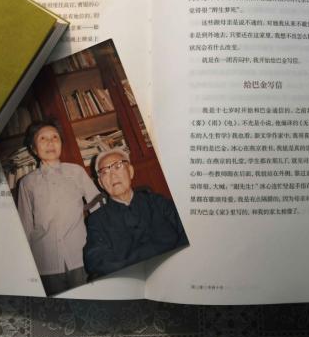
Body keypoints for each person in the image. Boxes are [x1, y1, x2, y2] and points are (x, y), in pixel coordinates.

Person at [17, 119, 101, 295]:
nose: (50, 142)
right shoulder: (27, 183)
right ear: (33, 149)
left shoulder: (76, 172)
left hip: (81, 257)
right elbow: (25, 226)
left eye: (55, 137)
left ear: (61, 143)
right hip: (45, 264)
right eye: (43, 138)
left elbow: (98, 208)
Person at [83, 148, 189, 278]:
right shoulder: (97, 220)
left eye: (118, 166)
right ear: (100, 183)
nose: (113, 175)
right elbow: (95, 259)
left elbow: (188, 229)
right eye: (105, 172)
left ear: (131, 171)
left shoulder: (157, 202)